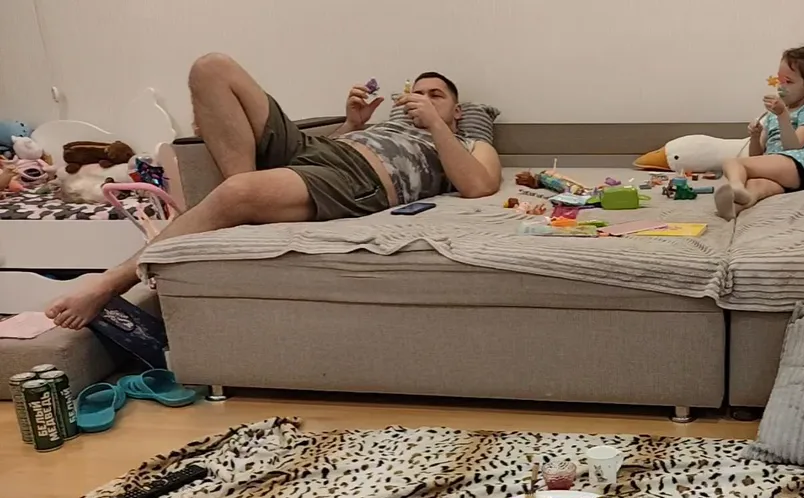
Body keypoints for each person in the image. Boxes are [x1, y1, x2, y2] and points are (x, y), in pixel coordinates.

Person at [46, 53, 502, 330]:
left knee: (239, 191)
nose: (423, 98)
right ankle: (241, 205)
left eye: (436, 95)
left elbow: (479, 186)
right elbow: (325, 152)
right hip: (322, 149)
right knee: (211, 68)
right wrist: (352, 125)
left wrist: (435, 125)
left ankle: (108, 283)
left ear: (458, 111)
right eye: (418, 93)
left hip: (360, 178)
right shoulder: (387, 124)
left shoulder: (467, 142)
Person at [714, 46, 804, 221]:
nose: (781, 87)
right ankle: (735, 207)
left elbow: (795, 145)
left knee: (732, 162)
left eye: (788, 81)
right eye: (780, 80)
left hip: (800, 165)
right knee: (756, 186)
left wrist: (782, 115)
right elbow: (756, 156)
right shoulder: (773, 116)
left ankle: (736, 186)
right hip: (783, 173)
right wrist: (755, 137)